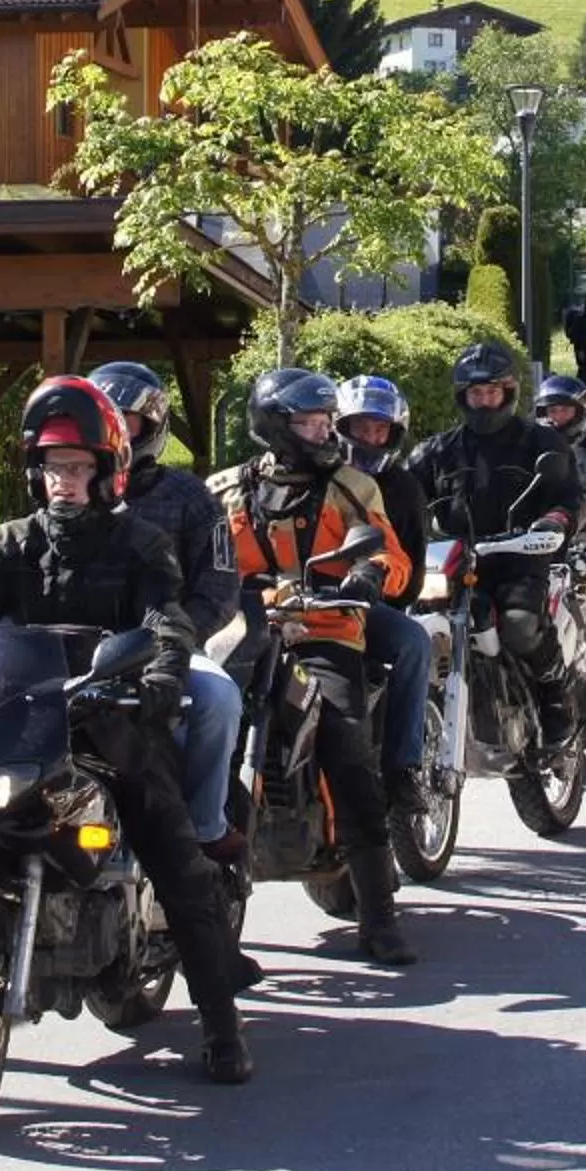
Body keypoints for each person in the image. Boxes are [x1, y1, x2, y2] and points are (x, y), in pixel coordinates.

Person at [0, 376, 253, 1080]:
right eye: (53, 467)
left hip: (108, 718)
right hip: (24, 718)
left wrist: (158, 675)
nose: (64, 480)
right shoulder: (10, 543)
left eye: (79, 467)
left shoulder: (142, 543)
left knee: (175, 857)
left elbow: (167, 618)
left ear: (108, 470)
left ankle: (221, 1026)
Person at [217, 368, 418, 965]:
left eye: (327, 420)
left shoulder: (350, 486)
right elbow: (196, 556)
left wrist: (370, 574)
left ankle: (379, 914)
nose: (324, 430)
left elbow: (390, 553)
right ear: (275, 426)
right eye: (310, 421)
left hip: (327, 629)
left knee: (344, 741)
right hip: (246, 633)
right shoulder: (228, 490)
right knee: (193, 732)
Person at [91, 361, 247, 862]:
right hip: (76, 650)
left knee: (219, 698)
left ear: (153, 426)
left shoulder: (190, 496)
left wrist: (175, 641)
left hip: (165, 647)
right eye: (102, 416)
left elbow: (220, 588)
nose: (114, 428)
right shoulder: (65, 490)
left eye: (126, 419)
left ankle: (204, 828)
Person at [406, 343, 584, 748]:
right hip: (455, 562)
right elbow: (403, 498)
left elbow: (568, 496)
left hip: (521, 558)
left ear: (507, 393)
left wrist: (555, 520)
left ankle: (557, 698)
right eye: (476, 393)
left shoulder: (541, 443)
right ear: (463, 396)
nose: (484, 401)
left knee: (520, 625)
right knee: (414, 630)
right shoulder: (436, 451)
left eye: (491, 393)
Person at [332, 372, 440, 818]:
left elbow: (409, 567)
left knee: (413, 642)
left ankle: (402, 765)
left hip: (367, 602)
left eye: (380, 429)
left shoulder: (404, 488)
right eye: (362, 427)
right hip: (297, 600)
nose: (371, 437)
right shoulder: (322, 474)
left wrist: (374, 586)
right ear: (341, 427)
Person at [532, 371, 586, 487]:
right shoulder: (532, 446)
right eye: (553, 411)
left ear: (580, 413)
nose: (558, 417)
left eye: (565, 410)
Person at [561, 293, 586, 402]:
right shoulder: (581, 319)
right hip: (585, 353)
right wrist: (580, 350)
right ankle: (582, 402)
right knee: (585, 379)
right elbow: (575, 336)